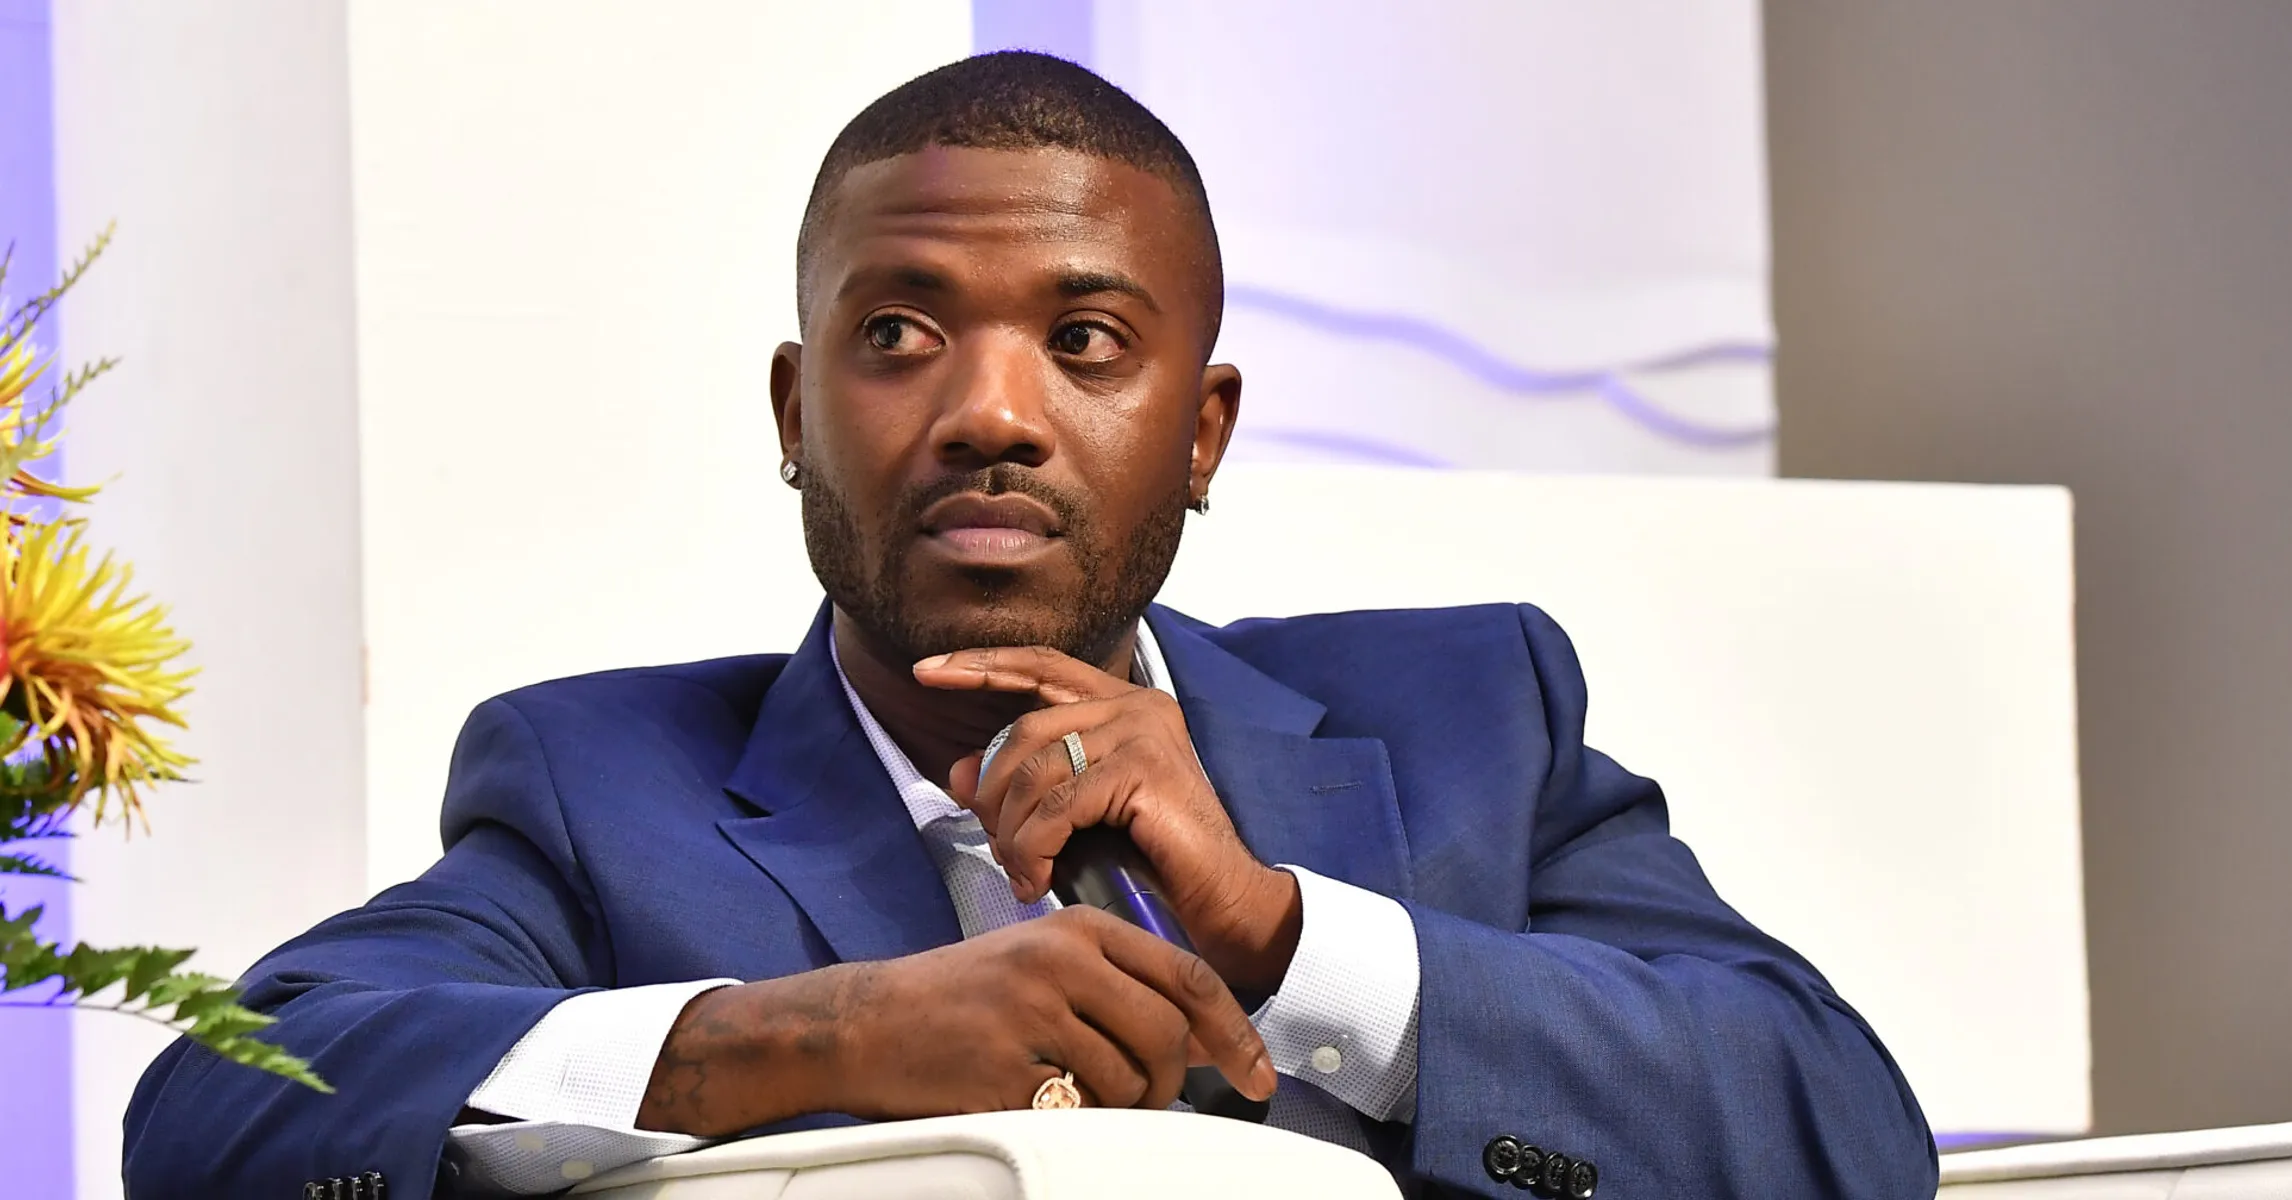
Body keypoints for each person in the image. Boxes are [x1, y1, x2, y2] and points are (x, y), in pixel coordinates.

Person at [123, 52, 1937, 1199]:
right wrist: (823, 1039)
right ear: (796, 413)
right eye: (898, 335)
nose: (989, 412)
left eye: (1083, 342)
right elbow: (221, 1103)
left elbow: (1842, 1134)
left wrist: (1286, 933)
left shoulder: (1474, 712)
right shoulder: (604, 785)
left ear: (1201, 432)